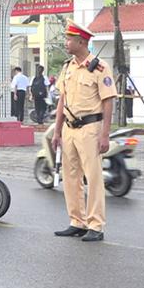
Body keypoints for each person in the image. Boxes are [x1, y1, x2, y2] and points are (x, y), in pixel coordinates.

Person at [52, 21, 115, 243]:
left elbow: (108, 101)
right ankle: (76, 221)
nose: (66, 43)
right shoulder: (68, 67)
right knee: (71, 177)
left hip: (90, 128)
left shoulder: (100, 67)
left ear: (81, 42)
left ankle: (95, 225)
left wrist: (105, 134)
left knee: (93, 177)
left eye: (69, 39)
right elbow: (63, 100)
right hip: (69, 128)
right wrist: (57, 131)